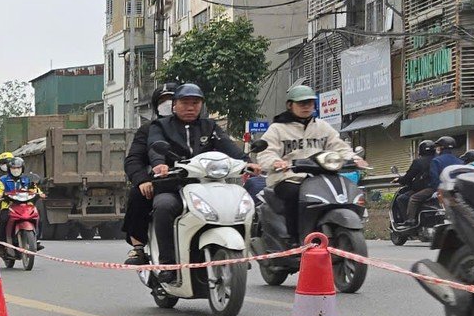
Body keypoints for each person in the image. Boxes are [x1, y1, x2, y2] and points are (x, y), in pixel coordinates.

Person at [144, 84, 242, 269]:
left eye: (195, 103)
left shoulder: (210, 126)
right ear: (174, 105)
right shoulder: (161, 126)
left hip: (207, 185)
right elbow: (155, 145)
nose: (190, 107)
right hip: (172, 185)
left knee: (237, 204)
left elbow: (229, 147)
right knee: (163, 206)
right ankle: (167, 263)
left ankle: (240, 253)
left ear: (201, 105)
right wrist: (159, 164)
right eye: (185, 103)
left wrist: (247, 161)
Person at [252, 84, 350, 243]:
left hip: (319, 178)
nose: (306, 107)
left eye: (310, 103)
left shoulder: (322, 126)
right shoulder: (277, 128)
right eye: (301, 103)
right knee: (294, 194)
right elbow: (266, 152)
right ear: (290, 105)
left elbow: (338, 145)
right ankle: (294, 239)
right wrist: (276, 162)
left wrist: (353, 157)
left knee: (341, 193)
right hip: (288, 177)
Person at [121, 83, 180, 263]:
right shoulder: (149, 129)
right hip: (162, 182)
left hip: (194, 181)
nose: (169, 105)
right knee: (140, 194)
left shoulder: (201, 127)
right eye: (163, 101)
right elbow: (134, 159)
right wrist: (142, 180)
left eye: (173, 100)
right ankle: (138, 247)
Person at [0, 155, 45, 249]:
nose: (16, 170)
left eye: (18, 168)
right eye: (13, 168)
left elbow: (34, 189)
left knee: (38, 218)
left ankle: (36, 239)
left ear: (22, 168)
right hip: (8, 206)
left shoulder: (27, 179)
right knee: (3, 219)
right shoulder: (2, 180)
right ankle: (1, 243)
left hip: (26, 205)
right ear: (9, 169)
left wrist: (40, 193)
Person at [392, 139, 437, 228]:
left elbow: (409, 176)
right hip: (440, 188)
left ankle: (409, 221)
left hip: (426, 189)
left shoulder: (418, 162)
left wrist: (399, 180)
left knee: (402, 198)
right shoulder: (438, 160)